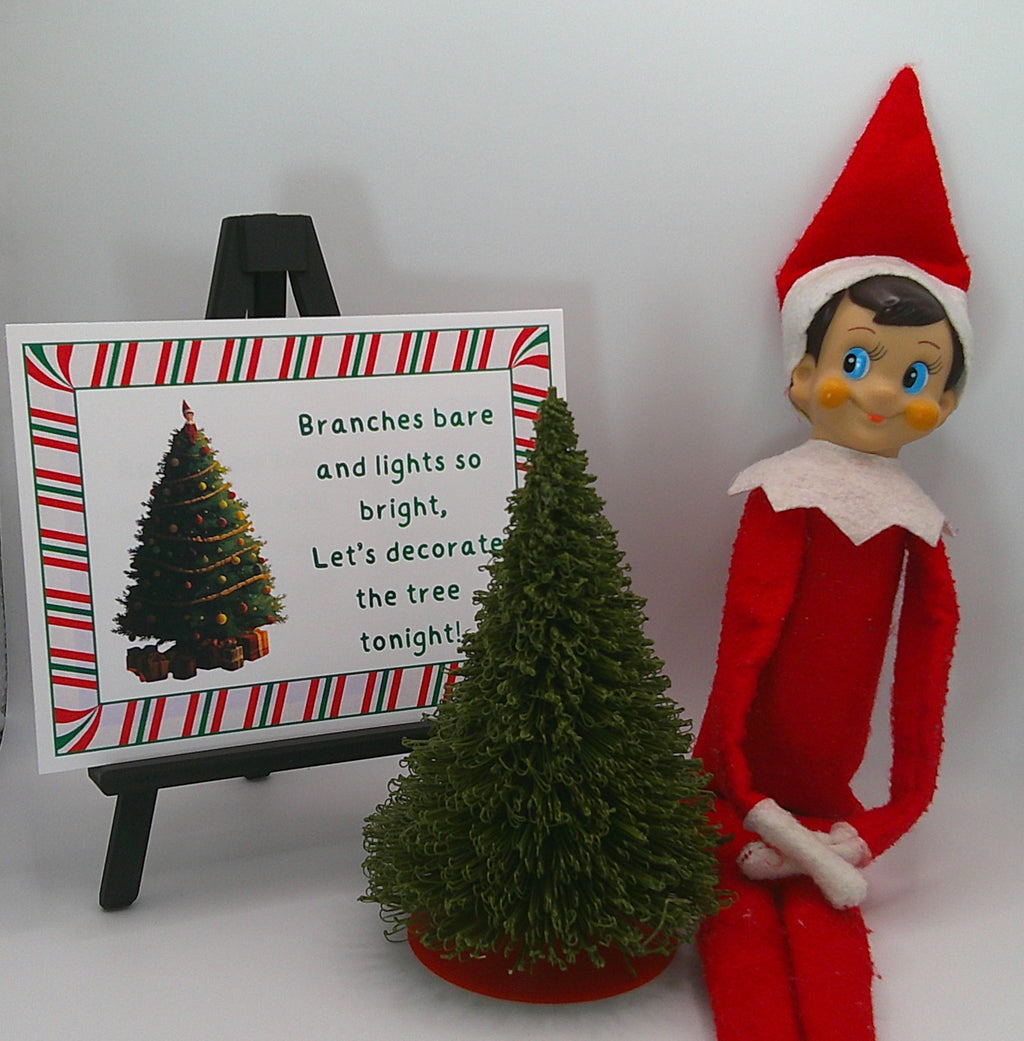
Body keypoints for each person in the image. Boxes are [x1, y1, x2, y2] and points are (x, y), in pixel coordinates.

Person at [694, 67, 972, 1041]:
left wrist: (864, 830)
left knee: (823, 949)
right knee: (735, 931)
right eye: (855, 362)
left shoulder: (916, 523)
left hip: (827, 801)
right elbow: (741, 652)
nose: (882, 392)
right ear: (802, 375)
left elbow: (925, 681)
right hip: (739, 792)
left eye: (917, 373)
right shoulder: (781, 497)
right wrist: (749, 801)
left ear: (946, 397)